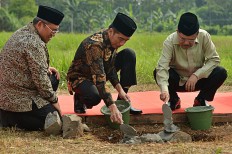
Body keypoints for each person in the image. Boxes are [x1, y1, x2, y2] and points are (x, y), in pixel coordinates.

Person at [67, 12, 142, 124]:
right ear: (111, 31)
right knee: (95, 96)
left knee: (129, 54)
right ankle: (80, 96)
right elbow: (100, 80)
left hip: (99, 70)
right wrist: (112, 107)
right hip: (80, 77)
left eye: (126, 40)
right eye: (121, 39)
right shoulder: (95, 45)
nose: (122, 43)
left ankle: (122, 103)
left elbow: (110, 68)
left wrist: (121, 91)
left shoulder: (113, 41)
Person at [0, 5, 64, 131]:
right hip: (18, 98)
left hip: (7, 92)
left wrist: (46, 67)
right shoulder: (34, 43)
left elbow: (22, 62)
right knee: (53, 118)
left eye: (56, 31)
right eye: (53, 30)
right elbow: (41, 81)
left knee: (53, 78)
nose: (53, 35)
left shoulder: (23, 31)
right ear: (40, 24)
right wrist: (55, 102)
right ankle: (11, 119)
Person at [154, 12, 227, 111]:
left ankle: (201, 99)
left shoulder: (204, 36)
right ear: (177, 32)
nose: (186, 43)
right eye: (182, 39)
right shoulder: (169, 41)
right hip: (177, 81)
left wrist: (196, 75)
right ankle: (173, 99)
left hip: (199, 80)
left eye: (191, 40)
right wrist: (164, 90)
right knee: (157, 71)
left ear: (197, 34)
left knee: (220, 72)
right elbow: (162, 67)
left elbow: (214, 59)